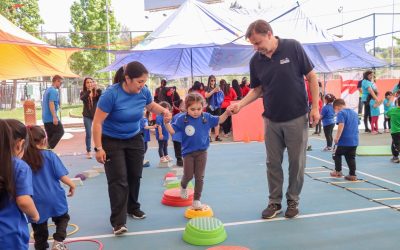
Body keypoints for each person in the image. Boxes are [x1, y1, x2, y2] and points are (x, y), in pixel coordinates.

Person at [229, 19, 320, 219]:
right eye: (253, 44)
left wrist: (315, 108)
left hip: (297, 117)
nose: (256, 48)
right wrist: (240, 105)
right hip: (271, 119)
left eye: (258, 43)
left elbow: (312, 77)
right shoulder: (256, 61)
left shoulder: (293, 47)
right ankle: (274, 202)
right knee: (273, 163)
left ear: (269, 34)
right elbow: (258, 90)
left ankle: (293, 200)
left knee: (296, 163)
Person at [92, 61, 172, 235]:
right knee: (119, 179)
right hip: (111, 140)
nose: (142, 85)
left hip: (134, 137)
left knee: (135, 175)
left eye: (144, 81)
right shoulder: (111, 95)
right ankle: (118, 222)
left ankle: (133, 207)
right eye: (139, 81)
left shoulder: (143, 91)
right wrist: (98, 148)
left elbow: (151, 105)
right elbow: (97, 123)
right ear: (127, 79)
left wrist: (164, 112)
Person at [165, 93, 231, 209]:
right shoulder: (182, 119)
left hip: (202, 152)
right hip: (188, 153)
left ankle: (196, 200)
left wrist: (227, 113)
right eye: (192, 109)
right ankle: (183, 186)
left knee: (199, 177)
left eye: (199, 109)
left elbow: (219, 120)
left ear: (203, 107)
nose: (196, 112)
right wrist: (166, 123)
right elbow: (173, 131)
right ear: (186, 108)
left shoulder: (206, 117)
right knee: (188, 176)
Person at [14, 123, 74, 250]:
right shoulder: (50, 155)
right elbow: (61, 176)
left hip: (34, 201)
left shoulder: (21, 159)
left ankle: (41, 247)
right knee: (63, 218)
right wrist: (71, 184)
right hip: (54, 197)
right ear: (44, 140)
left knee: (39, 232)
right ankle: (58, 241)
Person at [0, 119, 39, 250]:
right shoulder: (18, 166)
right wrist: (34, 215)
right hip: (8, 234)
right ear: (20, 144)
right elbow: (23, 200)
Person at [330, 99, 359, 181]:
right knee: (351, 157)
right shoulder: (354, 113)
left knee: (337, 154)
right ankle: (352, 174)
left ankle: (338, 171)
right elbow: (357, 124)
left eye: (335, 110)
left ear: (337, 107)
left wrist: (337, 138)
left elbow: (341, 125)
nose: (335, 112)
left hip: (344, 140)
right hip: (354, 140)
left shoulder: (341, 113)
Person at [80, 77, 102, 159]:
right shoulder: (83, 92)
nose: (89, 84)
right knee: (89, 133)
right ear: (85, 84)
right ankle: (88, 151)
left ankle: (98, 148)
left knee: (99, 132)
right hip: (87, 116)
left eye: (91, 82)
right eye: (87, 82)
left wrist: (97, 89)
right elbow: (83, 98)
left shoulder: (97, 92)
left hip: (96, 116)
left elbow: (102, 99)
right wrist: (89, 90)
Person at [42, 75, 64, 149]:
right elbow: (51, 103)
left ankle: (46, 152)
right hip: (51, 118)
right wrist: (54, 117)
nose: (61, 84)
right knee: (60, 131)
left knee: (50, 137)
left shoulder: (47, 90)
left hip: (45, 118)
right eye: (60, 83)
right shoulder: (53, 91)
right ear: (56, 81)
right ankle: (47, 151)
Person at [205, 75, 224, 142]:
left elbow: (221, 96)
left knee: (217, 121)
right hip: (210, 107)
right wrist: (213, 91)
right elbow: (206, 95)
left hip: (217, 107)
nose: (213, 82)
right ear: (209, 81)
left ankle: (217, 136)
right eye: (211, 80)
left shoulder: (218, 87)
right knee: (209, 122)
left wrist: (218, 90)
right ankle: (209, 137)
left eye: (214, 80)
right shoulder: (207, 88)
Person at [387, 98, 400, 163]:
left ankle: (395, 158)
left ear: (397, 102)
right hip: (395, 132)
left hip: (395, 132)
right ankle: (395, 157)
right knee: (395, 144)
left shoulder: (392, 110)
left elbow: (387, 115)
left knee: (395, 145)